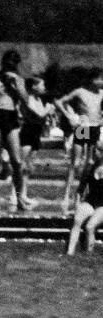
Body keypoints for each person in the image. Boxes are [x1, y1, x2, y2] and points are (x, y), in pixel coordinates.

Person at [0, 51, 34, 214]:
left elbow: (26, 100)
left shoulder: (18, 80)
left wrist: (17, 85)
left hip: (11, 117)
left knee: (17, 162)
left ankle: (19, 198)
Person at [56, 69, 103, 213]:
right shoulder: (80, 91)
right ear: (93, 79)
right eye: (100, 79)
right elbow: (59, 102)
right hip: (83, 127)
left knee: (89, 165)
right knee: (75, 163)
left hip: (95, 127)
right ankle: (66, 197)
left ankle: (78, 196)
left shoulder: (101, 93)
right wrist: (70, 116)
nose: (102, 82)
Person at [66, 146, 103, 255]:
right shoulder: (90, 168)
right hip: (90, 201)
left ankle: (89, 253)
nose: (95, 153)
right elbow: (80, 189)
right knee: (77, 220)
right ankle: (70, 252)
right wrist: (77, 205)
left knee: (89, 226)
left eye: (98, 150)